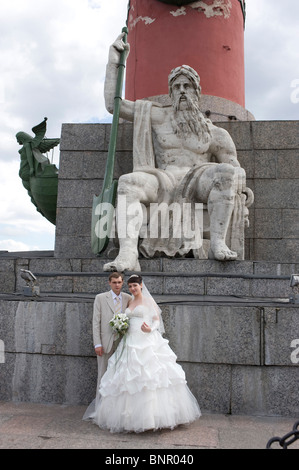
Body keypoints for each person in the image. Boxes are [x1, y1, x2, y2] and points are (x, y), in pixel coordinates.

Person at [103, 34, 253, 272]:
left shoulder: (215, 133)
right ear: (171, 92)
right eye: (177, 86)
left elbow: (234, 166)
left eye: (188, 86)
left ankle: (217, 243)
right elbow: (114, 106)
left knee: (225, 172)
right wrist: (113, 63)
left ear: (197, 92)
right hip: (165, 179)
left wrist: (238, 175)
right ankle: (128, 254)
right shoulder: (158, 116)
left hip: (198, 180)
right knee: (128, 182)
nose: (182, 91)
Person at [84, 274, 201, 433]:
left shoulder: (147, 300)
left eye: (135, 286)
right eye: (130, 286)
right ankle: (126, 417)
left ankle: (151, 418)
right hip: (129, 341)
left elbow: (156, 319)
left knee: (149, 378)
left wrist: (150, 329)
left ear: (141, 285)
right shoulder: (129, 300)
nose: (132, 288)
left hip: (146, 341)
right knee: (126, 378)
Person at [84, 272, 132, 416]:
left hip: (122, 342)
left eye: (119, 282)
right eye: (114, 282)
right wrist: (97, 344)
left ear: (123, 282)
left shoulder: (128, 298)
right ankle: (100, 408)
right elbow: (96, 322)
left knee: (120, 375)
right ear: (109, 283)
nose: (117, 285)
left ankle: (116, 409)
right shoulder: (100, 298)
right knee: (103, 374)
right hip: (105, 343)